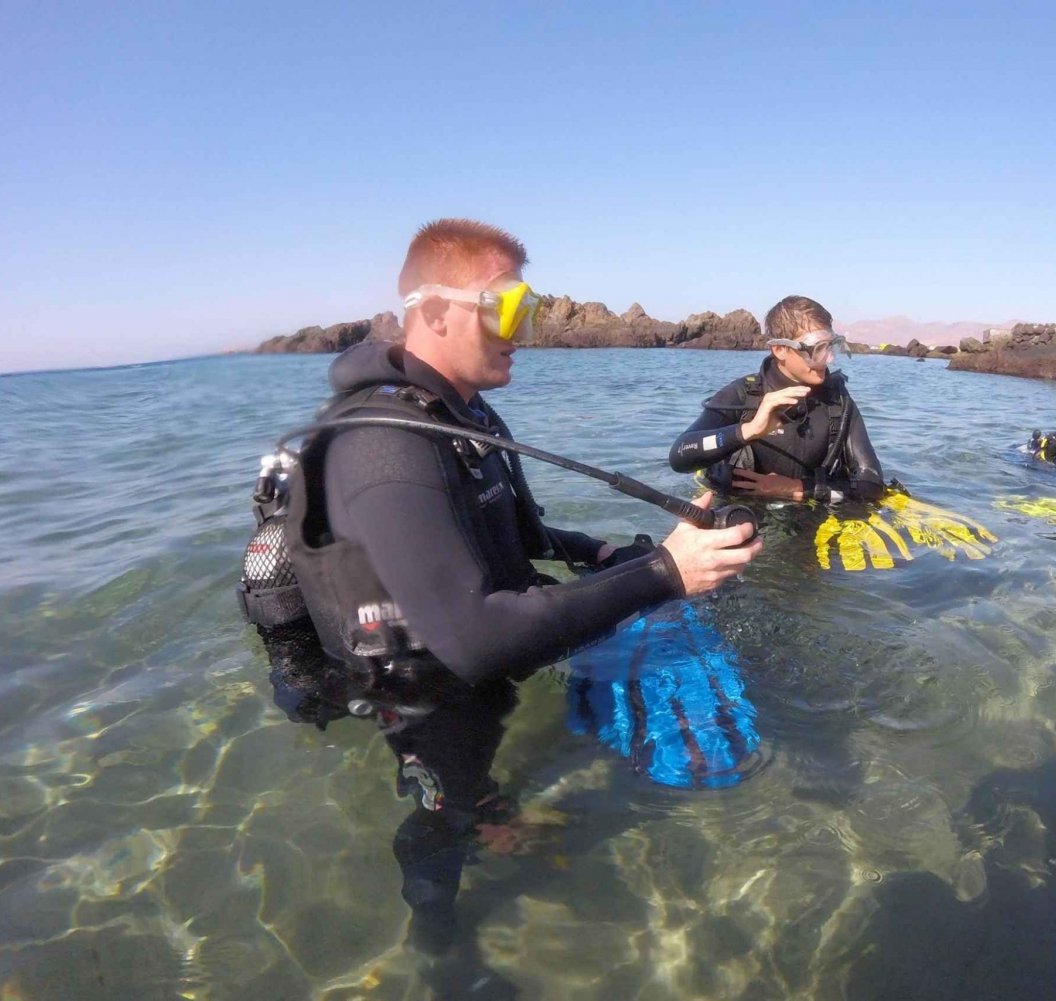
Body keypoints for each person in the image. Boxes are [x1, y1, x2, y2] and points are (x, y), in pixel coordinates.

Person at [248, 218, 760, 951]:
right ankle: (440, 948)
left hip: (471, 631)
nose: (531, 327)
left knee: (627, 599)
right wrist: (665, 572)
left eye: (537, 306)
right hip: (419, 679)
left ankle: (487, 807)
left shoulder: (462, 413)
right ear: (433, 310)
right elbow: (478, 640)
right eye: (514, 307)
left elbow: (525, 536)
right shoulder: (382, 446)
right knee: (445, 810)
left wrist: (618, 551)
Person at [667, 295, 884, 504]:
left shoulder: (838, 403)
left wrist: (798, 488)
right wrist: (747, 431)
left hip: (810, 518)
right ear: (780, 349)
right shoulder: (743, 395)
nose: (829, 358)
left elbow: (872, 485)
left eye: (832, 346)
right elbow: (680, 455)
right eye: (817, 349)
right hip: (744, 518)